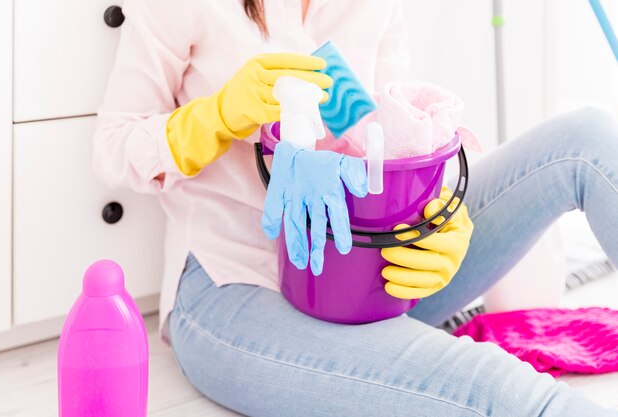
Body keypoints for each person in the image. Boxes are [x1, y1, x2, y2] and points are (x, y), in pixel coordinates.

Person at [93, 0, 618, 416]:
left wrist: (440, 216)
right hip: (236, 288)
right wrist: (215, 117)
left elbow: (392, 142)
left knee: (586, 139)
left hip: (367, 263)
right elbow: (113, 149)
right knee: (500, 389)